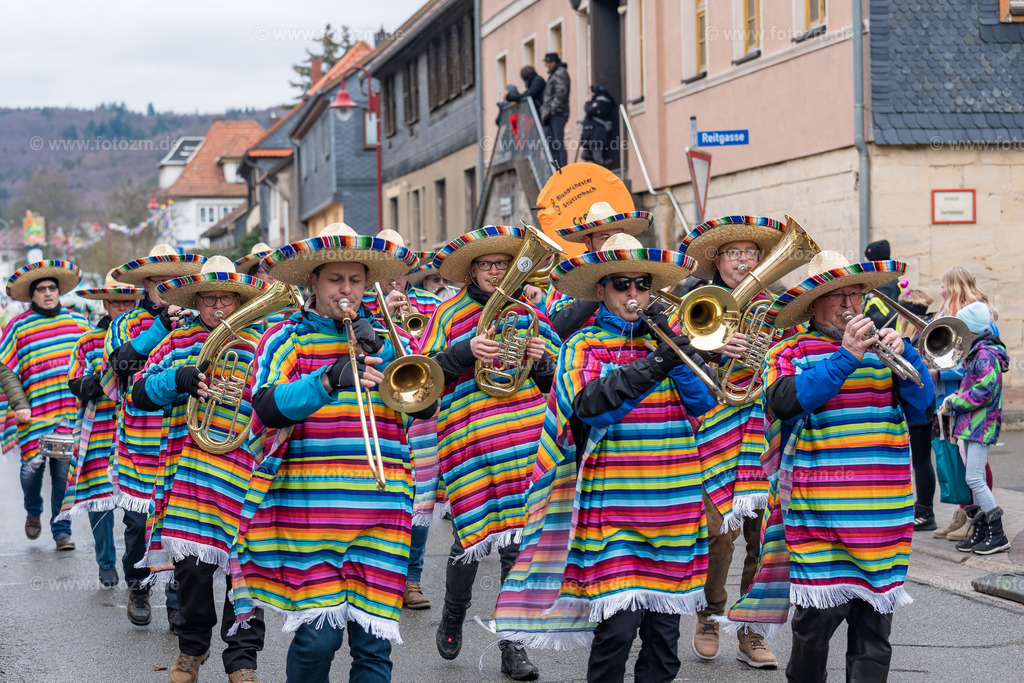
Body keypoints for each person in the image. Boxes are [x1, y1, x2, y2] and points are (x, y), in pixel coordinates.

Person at [492, 232, 717, 682]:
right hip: (613, 507)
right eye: (621, 284)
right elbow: (592, 406)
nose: (633, 294)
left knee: (663, 643)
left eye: (641, 284)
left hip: (674, 508)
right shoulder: (584, 345)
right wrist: (656, 363)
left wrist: (676, 347)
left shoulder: (670, 340)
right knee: (616, 633)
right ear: (601, 290)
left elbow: (704, 403)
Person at [229, 223, 430, 682]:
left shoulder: (391, 337)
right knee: (317, 640)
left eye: (355, 280)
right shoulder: (285, 339)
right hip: (310, 508)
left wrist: (383, 352)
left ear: (368, 284)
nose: (346, 290)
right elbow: (266, 408)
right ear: (313, 283)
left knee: (374, 644)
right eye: (335, 280)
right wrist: (327, 379)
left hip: (383, 508)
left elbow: (426, 405)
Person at [724, 250, 933, 682]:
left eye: (855, 295)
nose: (850, 305)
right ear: (813, 303)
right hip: (820, 513)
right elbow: (785, 403)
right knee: (815, 628)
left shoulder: (888, 350)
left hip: (883, 515)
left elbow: (922, 409)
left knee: (874, 636)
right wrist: (847, 356)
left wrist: (908, 355)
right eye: (837, 296)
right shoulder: (790, 349)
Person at [423, 225, 562, 680]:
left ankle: (512, 644)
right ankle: (453, 613)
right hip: (468, 441)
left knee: (517, 547)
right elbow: (421, 380)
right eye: (487, 265)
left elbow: (560, 383)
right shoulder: (448, 314)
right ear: (472, 270)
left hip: (523, 441)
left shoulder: (529, 312)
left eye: (503, 265)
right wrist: (465, 351)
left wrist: (544, 359)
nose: (496, 272)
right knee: (469, 539)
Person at [132, 256, 269, 683]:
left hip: (249, 468)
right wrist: (178, 379)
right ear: (197, 302)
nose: (218, 308)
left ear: (238, 300)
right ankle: (193, 647)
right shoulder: (177, 341)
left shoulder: (263, 340)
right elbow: (138, 393)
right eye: (209, 300)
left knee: (246, 569)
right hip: (189, 470)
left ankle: (243, 658)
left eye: (226, 299)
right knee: (191, 569)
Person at [678, 215, 788, 668]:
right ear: (717, 260)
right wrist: (712, 346)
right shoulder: (697, 299)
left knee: (762, 537)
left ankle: (751, 630)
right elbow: (674, 353)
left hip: (764, 428)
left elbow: (793, 356)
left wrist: (770, 351)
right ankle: (708, 614)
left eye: (750, 254)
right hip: (715, 428)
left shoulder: (780, 306)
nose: (743, 261)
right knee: (717, 534)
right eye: (733, 253)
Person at [103, 244, 207, 627]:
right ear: (146, 285)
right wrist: (161, 326)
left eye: (176, 282)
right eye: (162, 283)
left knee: (177, 520)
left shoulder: (196, 319)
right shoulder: (125, 324)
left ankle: (176, 598)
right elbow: (120, 365)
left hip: (183, 435)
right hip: (140, 439)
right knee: (136, 525)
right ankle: (138, 586)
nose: (169, 288)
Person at [362, 239, 443, 611]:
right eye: (387, 268)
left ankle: (411, 579)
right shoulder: (362, 307)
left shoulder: (431, 306)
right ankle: (378, 576)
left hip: (419, 409)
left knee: (419, 499)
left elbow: (439, 356)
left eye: (401, 268)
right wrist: (380, 319)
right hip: (376, 413)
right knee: (380, 497)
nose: (395, 276)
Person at [58, 271, 145, 588]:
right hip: (100, 428)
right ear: (106, 304)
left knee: (141, 506)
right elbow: (76, 382)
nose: (122, 308)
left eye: (128, 302)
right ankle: (106, 562)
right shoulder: (88, 341)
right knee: (101, 501)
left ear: (136, 302)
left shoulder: (151, 337)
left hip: (141, 430)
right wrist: (110, 376)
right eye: (116, 303)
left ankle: (143, 570)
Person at [0, 260, 90, 551]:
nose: (48, 293)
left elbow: (95, 362)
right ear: (33, 294)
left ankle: (61, 530)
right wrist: (19, 403)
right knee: (30, 471)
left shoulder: (79, 323)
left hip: (69, 415)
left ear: (59, 291)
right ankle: (33, 509)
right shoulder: (17, 326)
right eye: (41, 289)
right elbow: (5, 368)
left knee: (63, 477)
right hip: (33, 415)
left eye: (52, 288)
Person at [931, 266, 1000, 541]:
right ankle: (967, 514)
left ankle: (982, 521)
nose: (941, 291)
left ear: (956, 286)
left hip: (969, 402)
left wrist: (943, 373)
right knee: (961, 461)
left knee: (975, 467)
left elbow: (978, 366)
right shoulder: (953, 313)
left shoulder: (979, 317)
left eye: (944, 285)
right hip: (953, 398)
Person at [938, 301, 1010, 555]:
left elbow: (983, 392)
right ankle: (981, 529)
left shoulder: (985, 355)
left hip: (981, 425)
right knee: (973, 478)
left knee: (975, 479)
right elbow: (971, 387)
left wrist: (954, 402)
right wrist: (952, 399)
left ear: (970, 329)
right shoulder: (977, 353)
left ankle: (997, 534)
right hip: (972, 425)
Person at [547, 201, 653, 340]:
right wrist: (600, 286)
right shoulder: (570, 275)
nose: (614, 244)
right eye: (605, 238)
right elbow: (556, 327)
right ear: (588, 242)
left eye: (618, 236)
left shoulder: (638, 270)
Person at [540, 52, 570, 169]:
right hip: (552, 114)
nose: (546, 65)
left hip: (557, 113)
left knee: (558, 142)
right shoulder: (555, 74)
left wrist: (552, 109)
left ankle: (563, 169)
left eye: (547, 62)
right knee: (553, 143)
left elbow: (561, 93)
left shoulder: (560, 73)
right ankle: (557, 169)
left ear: (553, 62)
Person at [862, 239, 900, 330]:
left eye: (867, 260)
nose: (864, 261)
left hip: (886, 338)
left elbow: (879, 316)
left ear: (874, 263)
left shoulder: (886, 285)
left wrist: (859, 324)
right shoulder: (882, 282)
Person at [580, 85, 616, 169]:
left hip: (597, 134)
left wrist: (588, 102)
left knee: (597, 157)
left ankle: (603, 170)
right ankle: (604, 163)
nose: (591, 96)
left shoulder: (601, 103)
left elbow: (589, 111)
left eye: (592, 94)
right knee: (585, 155)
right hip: (592, 133)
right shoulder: (602, 102)